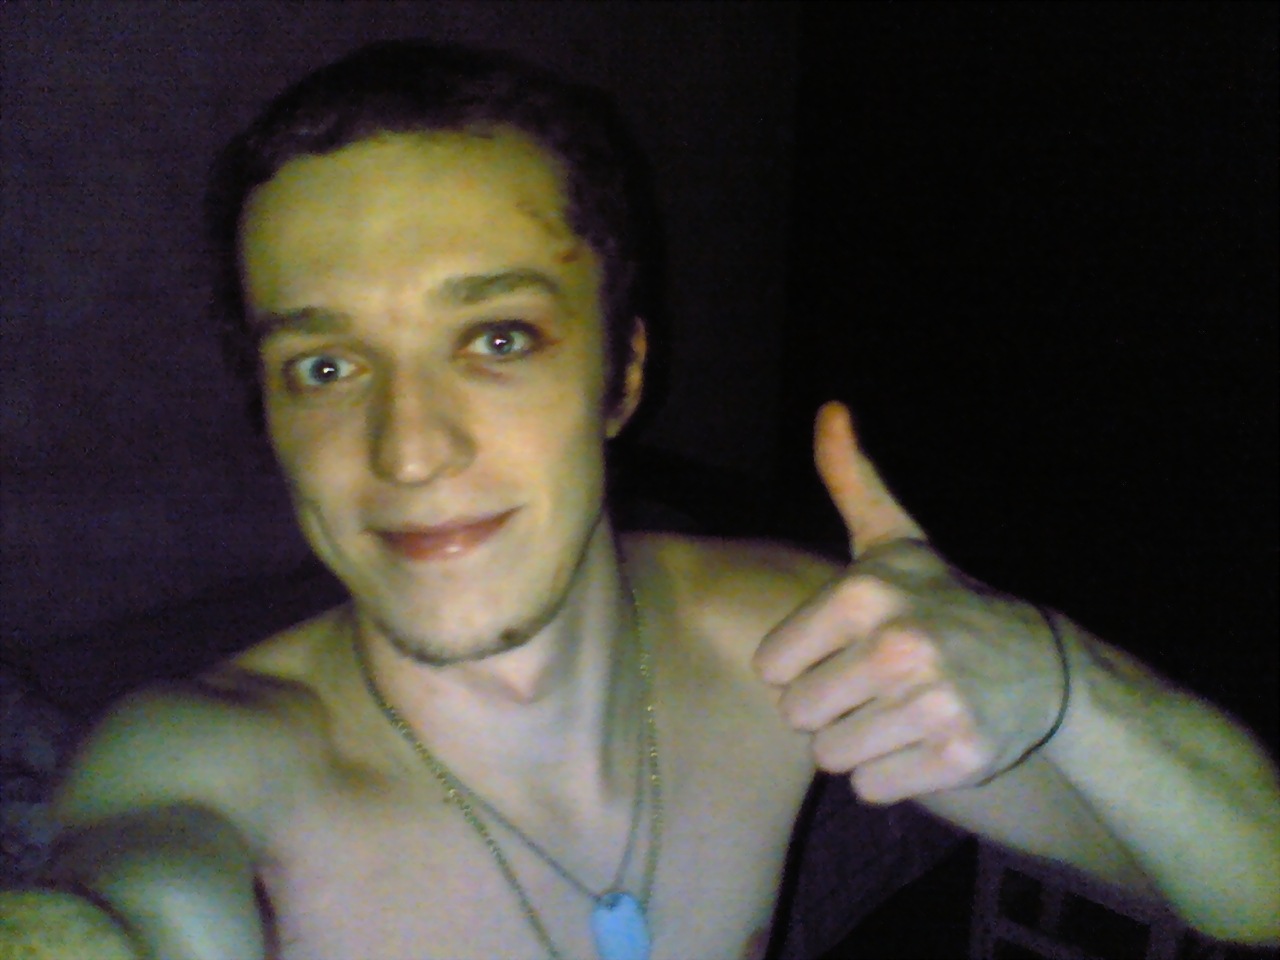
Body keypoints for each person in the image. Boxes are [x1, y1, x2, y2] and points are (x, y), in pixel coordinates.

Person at [2, 39, 1277, 960]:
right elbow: (124, 905)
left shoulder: (776, 641)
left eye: (496, 338)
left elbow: (1253, 889)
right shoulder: (201, 766)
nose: (407, 451)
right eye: (324, 368)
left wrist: (1059, 680)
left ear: (620, 374)